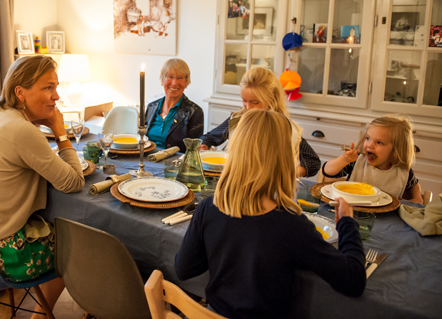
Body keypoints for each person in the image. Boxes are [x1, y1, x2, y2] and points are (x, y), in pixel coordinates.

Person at [175, 109, 366, 318]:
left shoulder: (210, 207)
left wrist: (219, 248)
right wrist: (347, 223)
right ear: (284, 158)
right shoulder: (292, 224)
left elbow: (183, 269)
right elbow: (353, 281)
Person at [0, 55, 85, 318]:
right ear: (20, 92)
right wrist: (59, 131)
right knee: (77, 245)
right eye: (48, 87)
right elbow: (74, 182)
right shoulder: (22, 131)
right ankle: (40, 314)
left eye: (56, 87)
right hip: (1, 256)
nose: (57, 96)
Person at [200, 67, 321, 177]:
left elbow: (313, 163)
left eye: (255, 102)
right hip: (233, 183)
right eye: (244, 100)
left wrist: (283, 173)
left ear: (271, 98)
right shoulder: (238, 119)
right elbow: (209, 137)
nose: (248, 107)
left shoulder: (284, 128)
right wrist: (204, 145)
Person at [322, 115, 423, 203]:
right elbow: (327, 171)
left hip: (386, 219)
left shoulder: (403, 172)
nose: (370, 145)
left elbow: (414, 185)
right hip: (351, 212)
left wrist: (417, 198)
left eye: (379, 142)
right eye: (368, 138)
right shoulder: (357, 161)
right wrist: (344, 159)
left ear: (396, 150)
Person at [145, 58, 204, 153]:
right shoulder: (151, 107)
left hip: (174, 164)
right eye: (170, 77)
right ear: (162, 79)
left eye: (180, 78)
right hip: (146, 159)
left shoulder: (194, 112)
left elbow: (193, 151)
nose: (174, 83)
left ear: (186, 81)